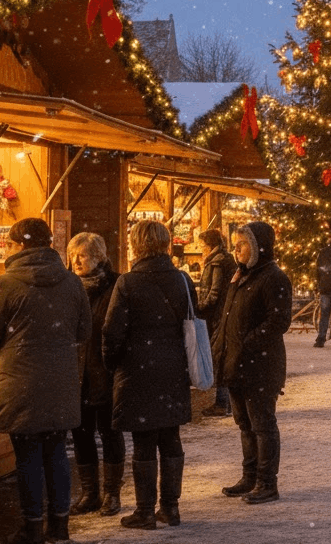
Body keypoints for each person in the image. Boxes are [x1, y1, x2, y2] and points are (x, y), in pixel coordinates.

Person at [0, 218, 90, 544]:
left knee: (27, 457)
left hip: (21, 385)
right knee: (56, 453)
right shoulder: (72, 283)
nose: (7, 249)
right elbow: (84, 332)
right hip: (60, 383)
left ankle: (32, 527)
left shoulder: (6, 284)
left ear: (21, 245)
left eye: (10, 243)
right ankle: (59, 526)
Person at [103, 220, 195, 529]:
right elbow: (191, 322)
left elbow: (112, 333)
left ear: (138, 245)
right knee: (171, 437)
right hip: (173, 368)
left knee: (144, 441)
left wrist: (112, 364)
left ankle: (145, 510)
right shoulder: (182, 280)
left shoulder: (128, 283)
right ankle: (170, 508)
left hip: (137, 370)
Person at [212, 221, 293, 504]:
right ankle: (249, 477)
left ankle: (267, 482)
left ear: (259, 247)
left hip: (260, 366)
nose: (237, 249)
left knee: (262, 424)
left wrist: (249, 342)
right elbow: (228, 318)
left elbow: (279, 321)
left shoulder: (273, 277)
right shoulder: (241, 276)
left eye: (243, 244)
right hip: (236, 363)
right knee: (244, 423)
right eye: (235, 244)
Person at [67, 233, 126, 517]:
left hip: (106, 371)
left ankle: (112, 493)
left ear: (100, 257)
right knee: (81, 433)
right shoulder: (68, 288)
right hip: (75, 373)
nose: (76, 261)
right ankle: (89, 492)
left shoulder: (116, 286)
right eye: (73, 255)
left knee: (110, 432)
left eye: (83, 255)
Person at [197, 229, 238, 416]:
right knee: (223, 356)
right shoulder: (223, 259)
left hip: (217, 316)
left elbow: (214, 293)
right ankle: (227, 402)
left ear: (211, 245)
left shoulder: (218, 263)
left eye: (203, 245)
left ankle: (223, 403)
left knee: (220, 357)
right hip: (223, 313)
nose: (201, 249)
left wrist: (199, 308)